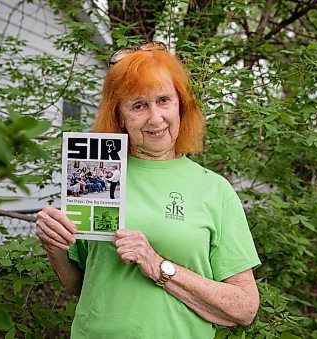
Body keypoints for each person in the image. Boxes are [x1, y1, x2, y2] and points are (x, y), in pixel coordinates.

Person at [36, 41, 261, 338]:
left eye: (164, 100)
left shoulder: (214, 189)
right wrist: (55, 248)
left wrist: (157, 265)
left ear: (181, 105)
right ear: (120, 116)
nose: (155, 118)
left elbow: (244, 308)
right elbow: (79, 283)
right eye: (139, 105)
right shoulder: (99, 175)